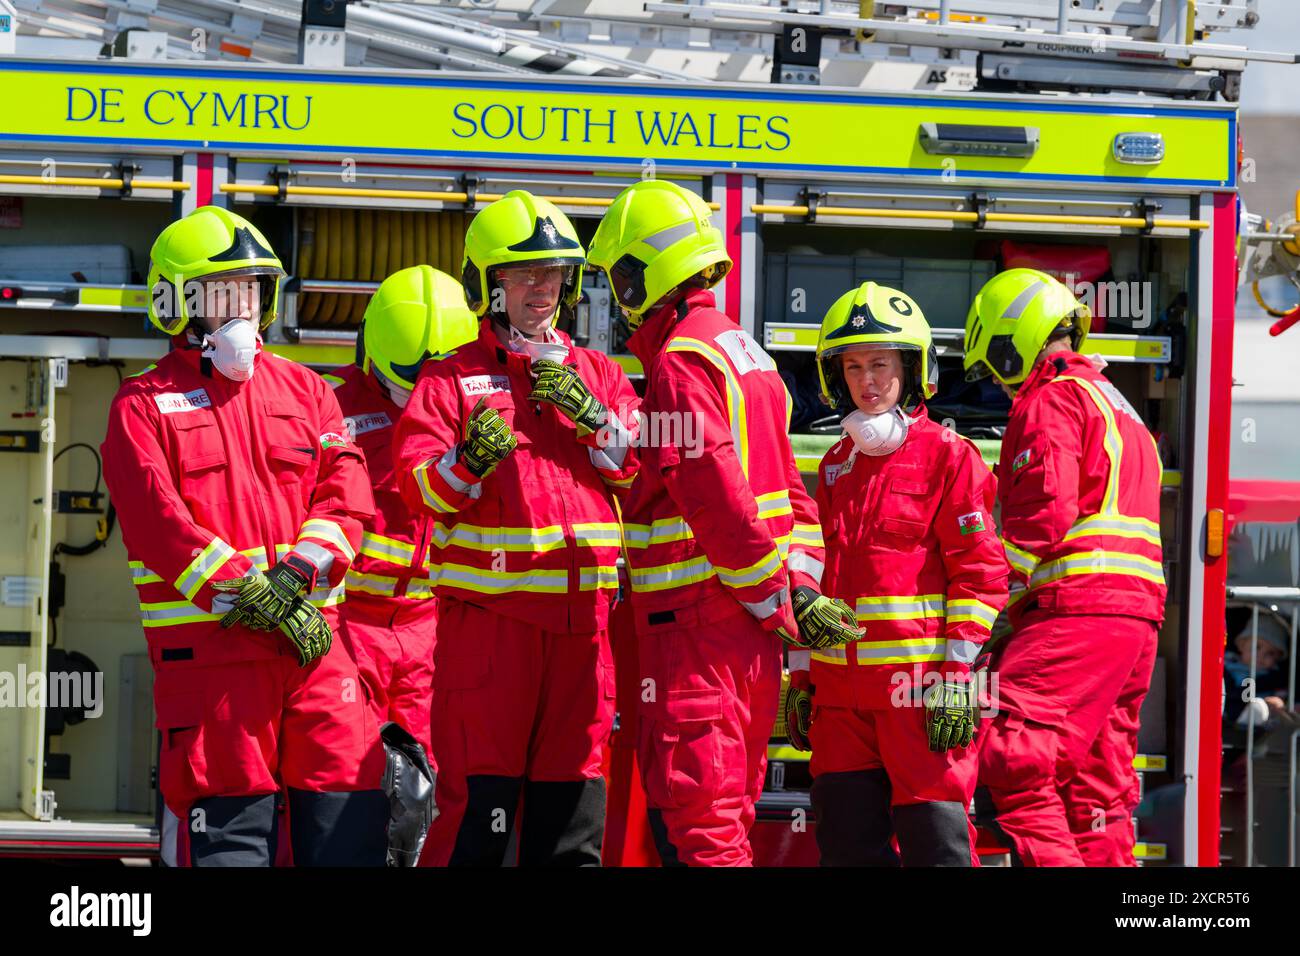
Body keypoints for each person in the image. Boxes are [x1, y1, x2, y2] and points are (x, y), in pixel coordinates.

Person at [101, 206, 386, 867]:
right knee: (230, 842)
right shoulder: (142, 407)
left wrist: (296, 581)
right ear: (178, 303)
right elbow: (159, 525)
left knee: (349, 831)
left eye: (253, 290)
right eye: (224, 292)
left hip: (317, 655)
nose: (243, 308)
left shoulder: (309, 390)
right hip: (215, 663)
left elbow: (347, 498)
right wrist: (255, 595)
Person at [587, 179, 860, 867]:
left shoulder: (681, 363)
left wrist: (775, 597)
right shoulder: (743, 352)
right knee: (727, 816)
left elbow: (714, 493)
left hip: (699, 631)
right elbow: (790, 500)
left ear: (637, 276)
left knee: (702, 827)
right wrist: (793, 593)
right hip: (745, 638)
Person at [394, 190, 639, 866]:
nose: (543, 287)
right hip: (491, 637)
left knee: (573, 830)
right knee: (483, 827)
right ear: (487, 284)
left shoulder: (602, 375)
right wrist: (467, 461)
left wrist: (597, 421)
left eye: (554, 273)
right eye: (524, 273)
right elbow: (419, 490)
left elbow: (645, 478)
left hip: (583, 634)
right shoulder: (450, 380)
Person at [791, 281, 1007, 866]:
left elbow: (982, 571)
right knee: (845, 847)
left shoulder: (949, 455)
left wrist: (960, 676)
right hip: (841, 702)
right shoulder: (836, 464)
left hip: (920, 695)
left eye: (881, 365)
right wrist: (804, 675)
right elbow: (820, 573)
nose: (868, 381)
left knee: (935, 848)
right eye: (854, 366)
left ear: (912, 371)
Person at [964, 267, 1166, 867]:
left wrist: (981, 608)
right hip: (1133, 624)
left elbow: (1040, 519)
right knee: (1096, 793)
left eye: (997, 369)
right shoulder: (1119, 405)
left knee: (1015, 757)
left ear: (1011, 342)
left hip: (1077, 612)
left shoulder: (1048, 399)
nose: (1001, 388)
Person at [325, 265, 477, 760]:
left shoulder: (475, 407)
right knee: (345, 775)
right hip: (347, 627)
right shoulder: (327, 409)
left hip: (434, 627)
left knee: (431, 780)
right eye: (406, 386)